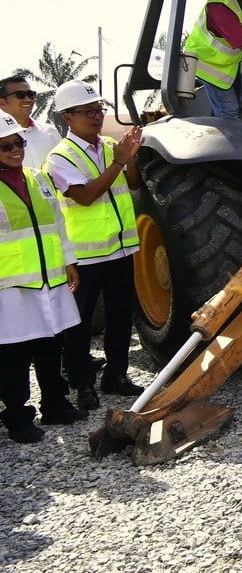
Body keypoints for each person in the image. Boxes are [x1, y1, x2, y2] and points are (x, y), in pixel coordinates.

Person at [43, 81, 144, 409]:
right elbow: (85, 197)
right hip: (86, 256)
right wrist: (117, 162)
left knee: (120, 317)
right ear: (67, 117)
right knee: (80, 323)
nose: (96, 116)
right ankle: (82, 384)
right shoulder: (59, 158)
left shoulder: (110, 145)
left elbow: (132, 183)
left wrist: (131, 159)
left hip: (120, 248)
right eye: (87, 111)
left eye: (99, 109)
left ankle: (116, 375)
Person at [0, 110, 85, 442]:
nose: (15, 150)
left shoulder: (37, 179)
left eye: (18, 143)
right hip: (12, 287)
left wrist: (69, 261)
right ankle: (18, 417)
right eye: (5, 146)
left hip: (49, 279)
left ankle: (55, 403)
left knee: (51, 343)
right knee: (13, 355)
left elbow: (58, 225)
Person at [0, 75, 62, 167]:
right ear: (2, 102)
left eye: (31, 94)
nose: (28, 99)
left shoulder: (51, 132)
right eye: (20, 95)